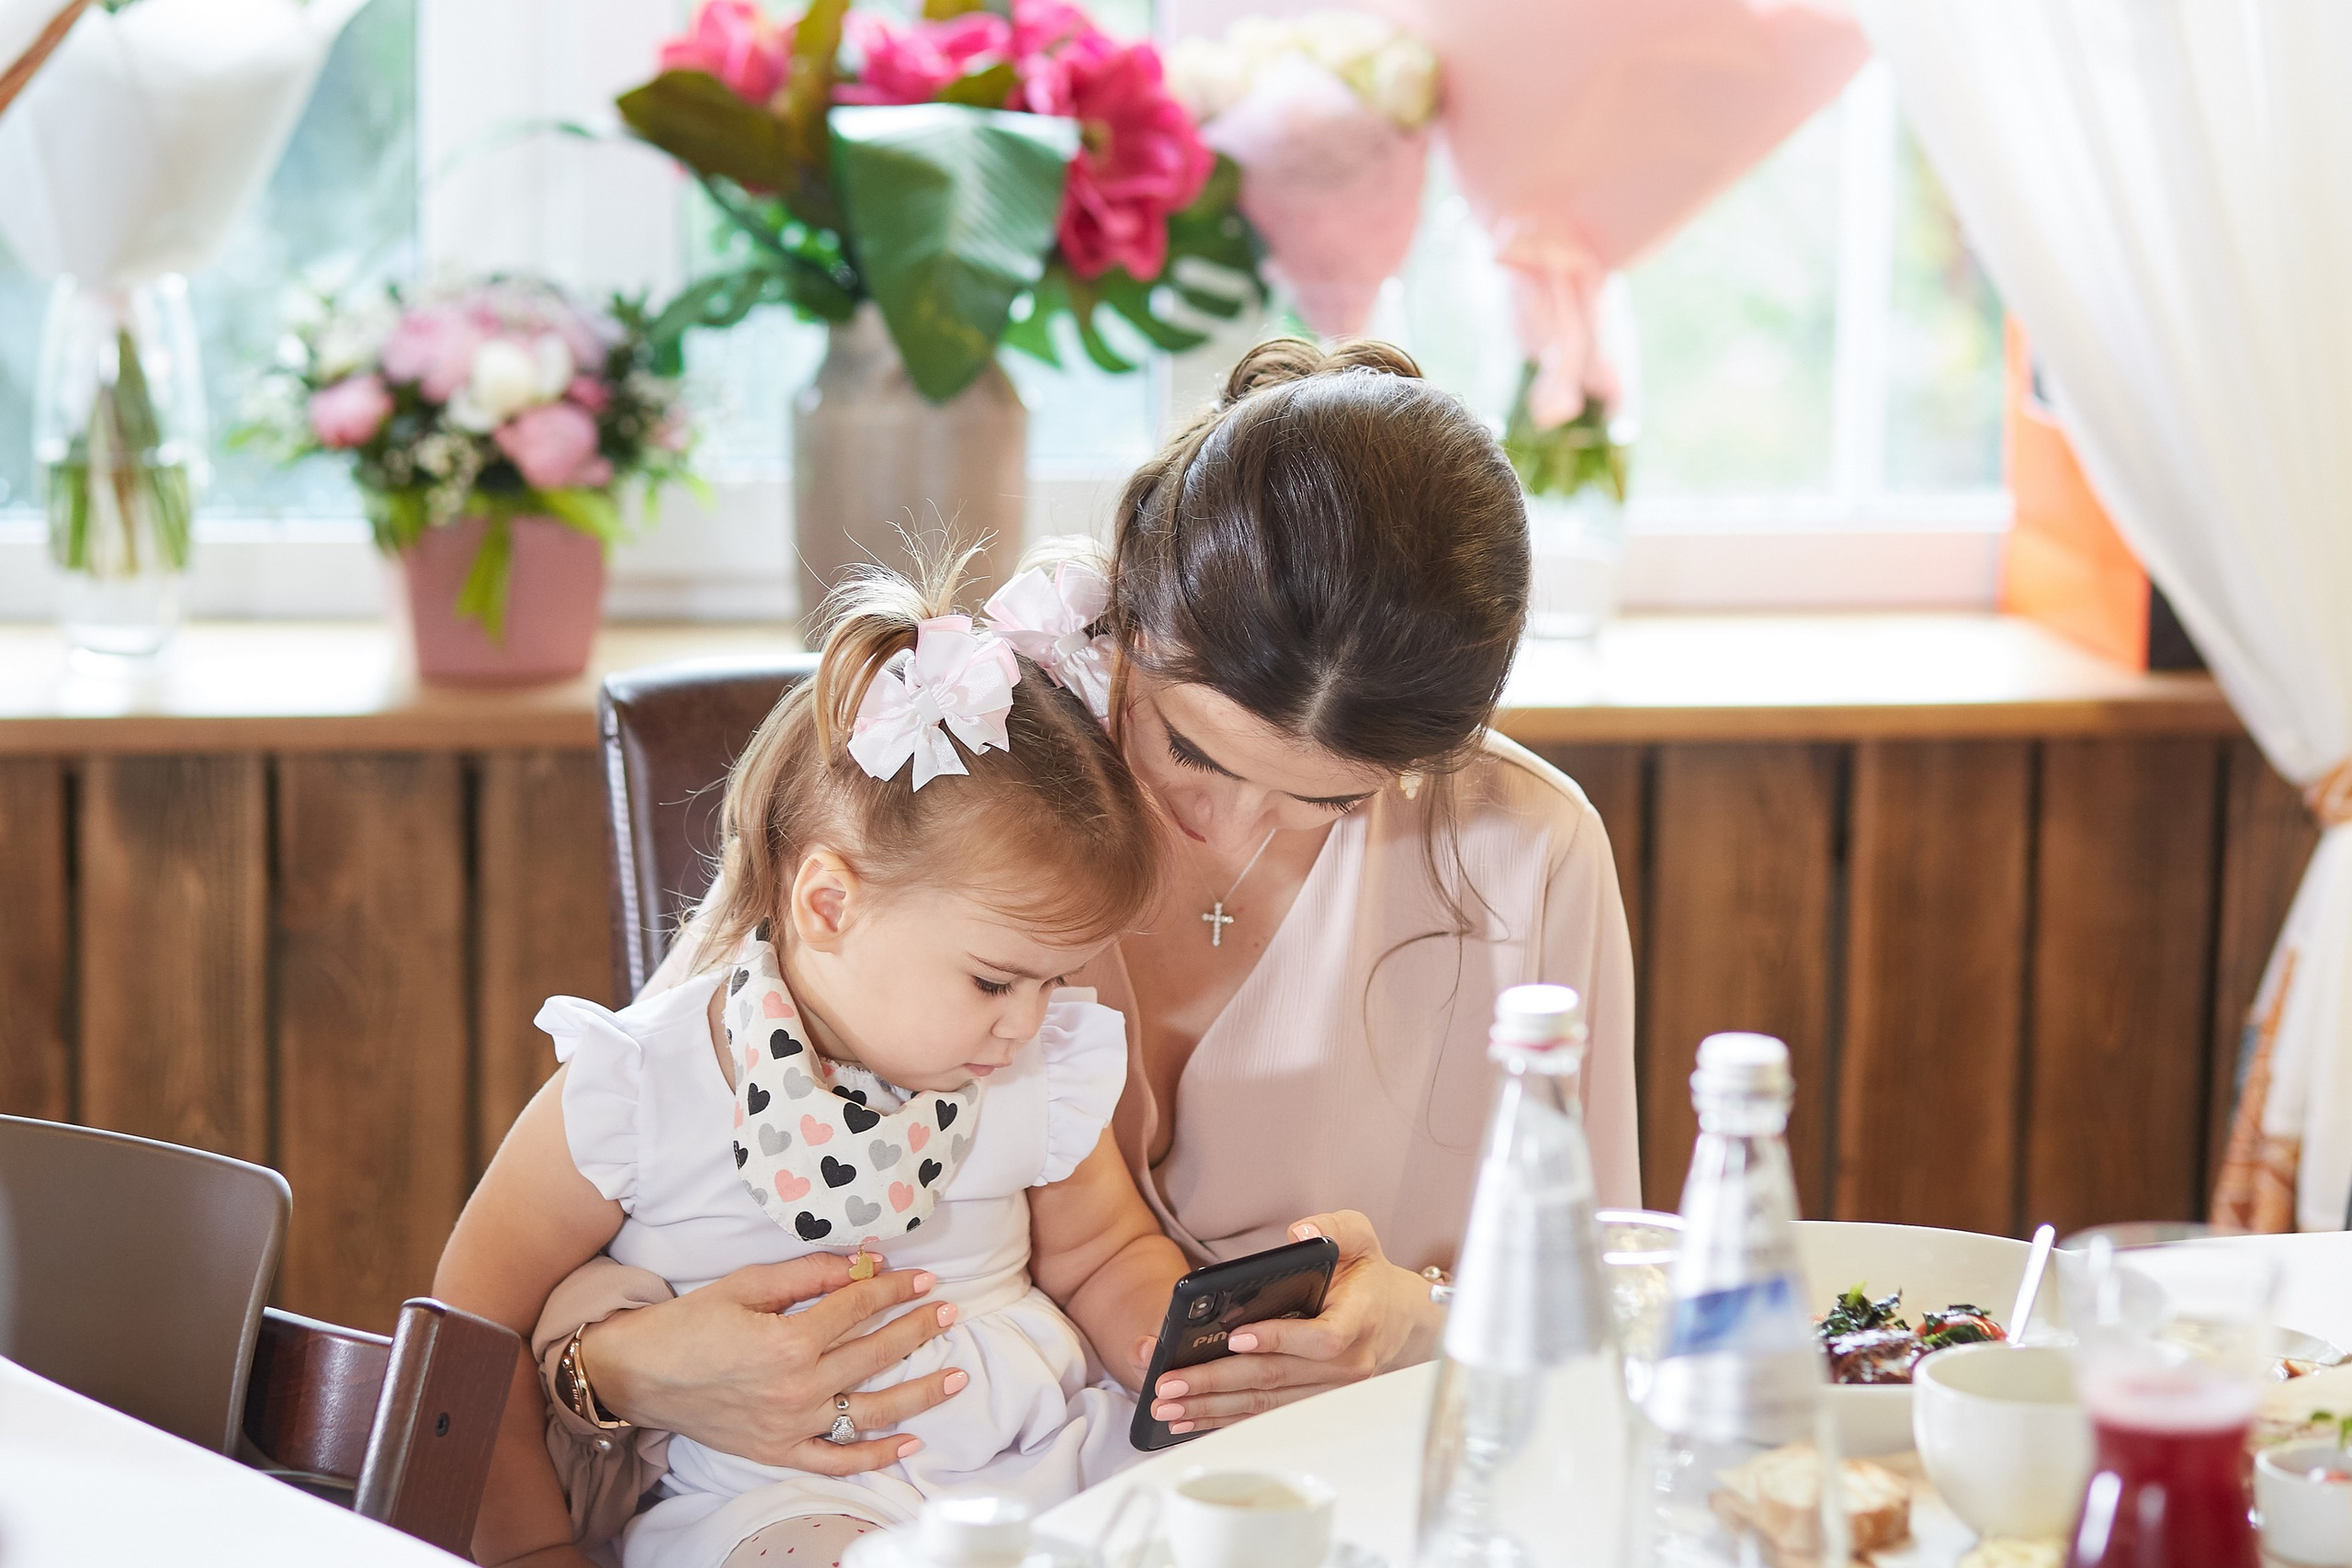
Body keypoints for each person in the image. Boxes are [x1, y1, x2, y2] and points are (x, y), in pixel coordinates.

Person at [522, 339, 1639, 1539]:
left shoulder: (1531, 855)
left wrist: (1416, 1322)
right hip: (848, 1483)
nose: (1218, 824)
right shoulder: (963, 756)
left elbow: (1607, 1313)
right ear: (1135, 614)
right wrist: (620, 1365)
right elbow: (631, 1171)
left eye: (1327, 797)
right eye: (1189, 748)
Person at [433, 560, 1190, 1568]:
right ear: (827, 904)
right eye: (997, 981)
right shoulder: (640, 1085)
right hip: (783, 1501)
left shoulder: (1029, 1071)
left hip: (1038, 1460)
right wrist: (530, 1553)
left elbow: (1103, 1254)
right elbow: (468, 1329)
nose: (1027, 1023)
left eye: (1054, 983)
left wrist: (1179, 1362)